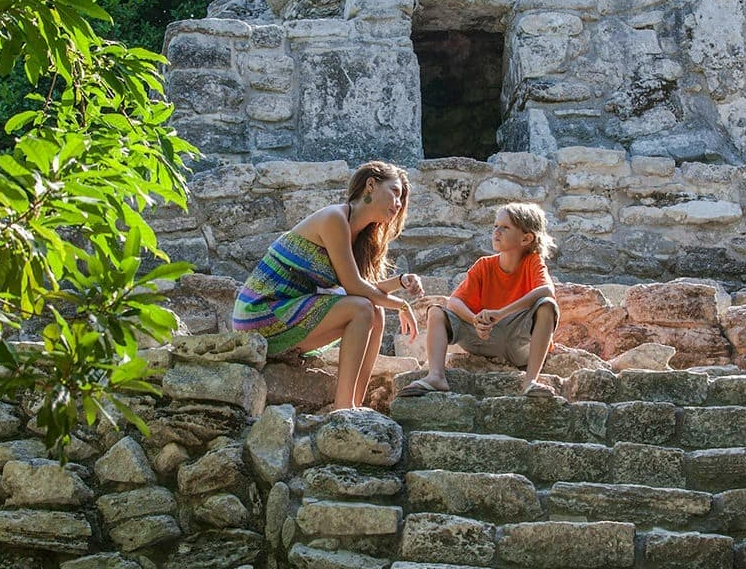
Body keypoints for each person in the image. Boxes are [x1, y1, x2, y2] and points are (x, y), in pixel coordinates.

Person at [232, 160, 423, 412]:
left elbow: (358, 285)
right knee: (363, 309)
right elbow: (353, 287)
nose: (398, 204)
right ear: (371, 185)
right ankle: (343, 408)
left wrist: (400, 283)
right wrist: (400, 304)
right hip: (261, 313)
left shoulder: (359, 236)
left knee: (375, 312)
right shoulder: (335, 218)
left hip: (289, 312)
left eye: (401, 199)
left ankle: (354, 405)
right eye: (395, 192)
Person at [398, 201, 559, 398]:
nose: (496, 232)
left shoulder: (533, 262)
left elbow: (547, 290)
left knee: (547, 306)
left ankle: (530, 381)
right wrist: (475, 319)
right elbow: (454, 302)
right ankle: (436, 376)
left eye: (505, 227)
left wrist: (500, 314)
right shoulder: (484, 265)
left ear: (526, 238)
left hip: (518, 343)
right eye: (495, 226)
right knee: (436, 311)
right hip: (481, 337)